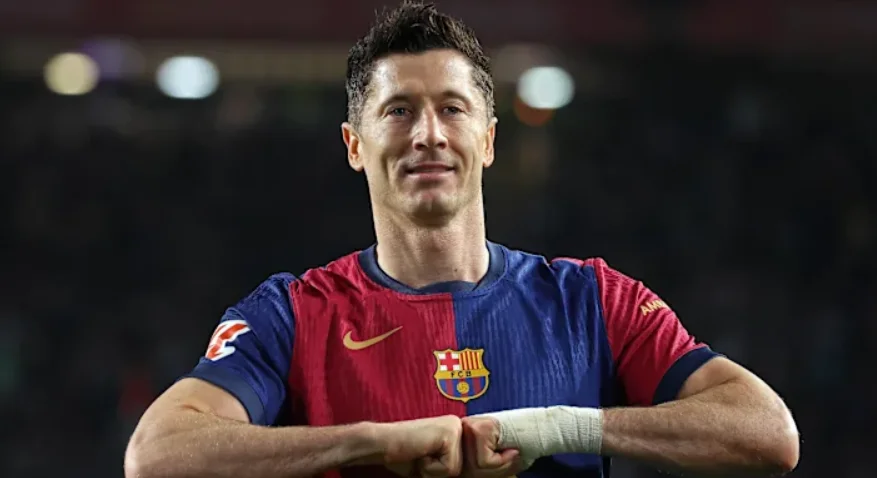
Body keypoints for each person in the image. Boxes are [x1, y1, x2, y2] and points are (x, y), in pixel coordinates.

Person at [124, 2, 799, 477]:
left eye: (451, 109)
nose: (428, 135)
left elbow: (767, 433)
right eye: (398, 111)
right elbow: (156, 454)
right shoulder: (292, 314)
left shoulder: (591, 300)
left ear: (489, 139)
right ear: (354, 145)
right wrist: (369, 443)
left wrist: (558, 428)